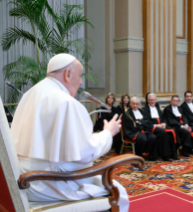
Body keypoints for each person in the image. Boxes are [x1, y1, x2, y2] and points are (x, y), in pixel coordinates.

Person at [10, 53, 129, 211]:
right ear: (67, 74)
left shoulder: (29, 94)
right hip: (49, 184)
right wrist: (107, 133)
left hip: (24, 179)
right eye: (79, 76)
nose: (80, 82)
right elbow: (86, 154)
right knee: (118, 192)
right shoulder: (65, 102)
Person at [143, 93, 178, 160]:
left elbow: (163, 117)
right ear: (148, 100)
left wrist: (164, 123)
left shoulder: (157, 108)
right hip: (152, 127)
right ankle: (165, 156)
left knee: (173, 131)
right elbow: (146, 121)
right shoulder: (145, 109)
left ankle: (173, 153)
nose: (153, 101)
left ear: (156, 100)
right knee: (163, 133)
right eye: (151, 100)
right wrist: (157, 125)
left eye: (154, 100)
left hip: (161, 126)